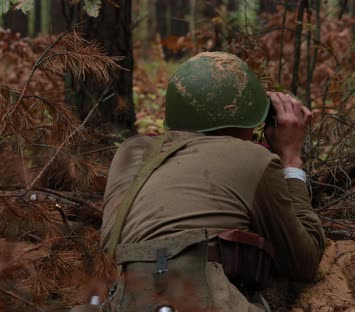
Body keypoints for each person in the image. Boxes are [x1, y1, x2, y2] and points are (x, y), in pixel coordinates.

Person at [96, 52, 325, 311]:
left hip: (128, 299)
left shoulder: (131, 153)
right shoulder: (252, 158)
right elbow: (303, 261)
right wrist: (291, 160)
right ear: (248, 119)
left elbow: (109, 251)